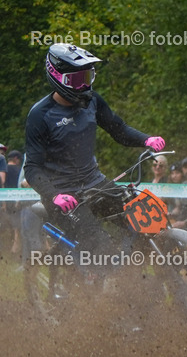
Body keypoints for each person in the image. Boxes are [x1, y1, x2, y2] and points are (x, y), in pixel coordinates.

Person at [24, 43, 165, 256]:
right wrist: (54, 196)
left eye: (87, 78)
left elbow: (119, 130)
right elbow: (32, 168)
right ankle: (96, 286)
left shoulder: (92, 101)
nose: (83, 86)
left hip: (95, 183)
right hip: (62, 194)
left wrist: (147, 139)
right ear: (57, 77)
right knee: (101, 245)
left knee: (147, 223)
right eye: (76, 80)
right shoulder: (39, 115)